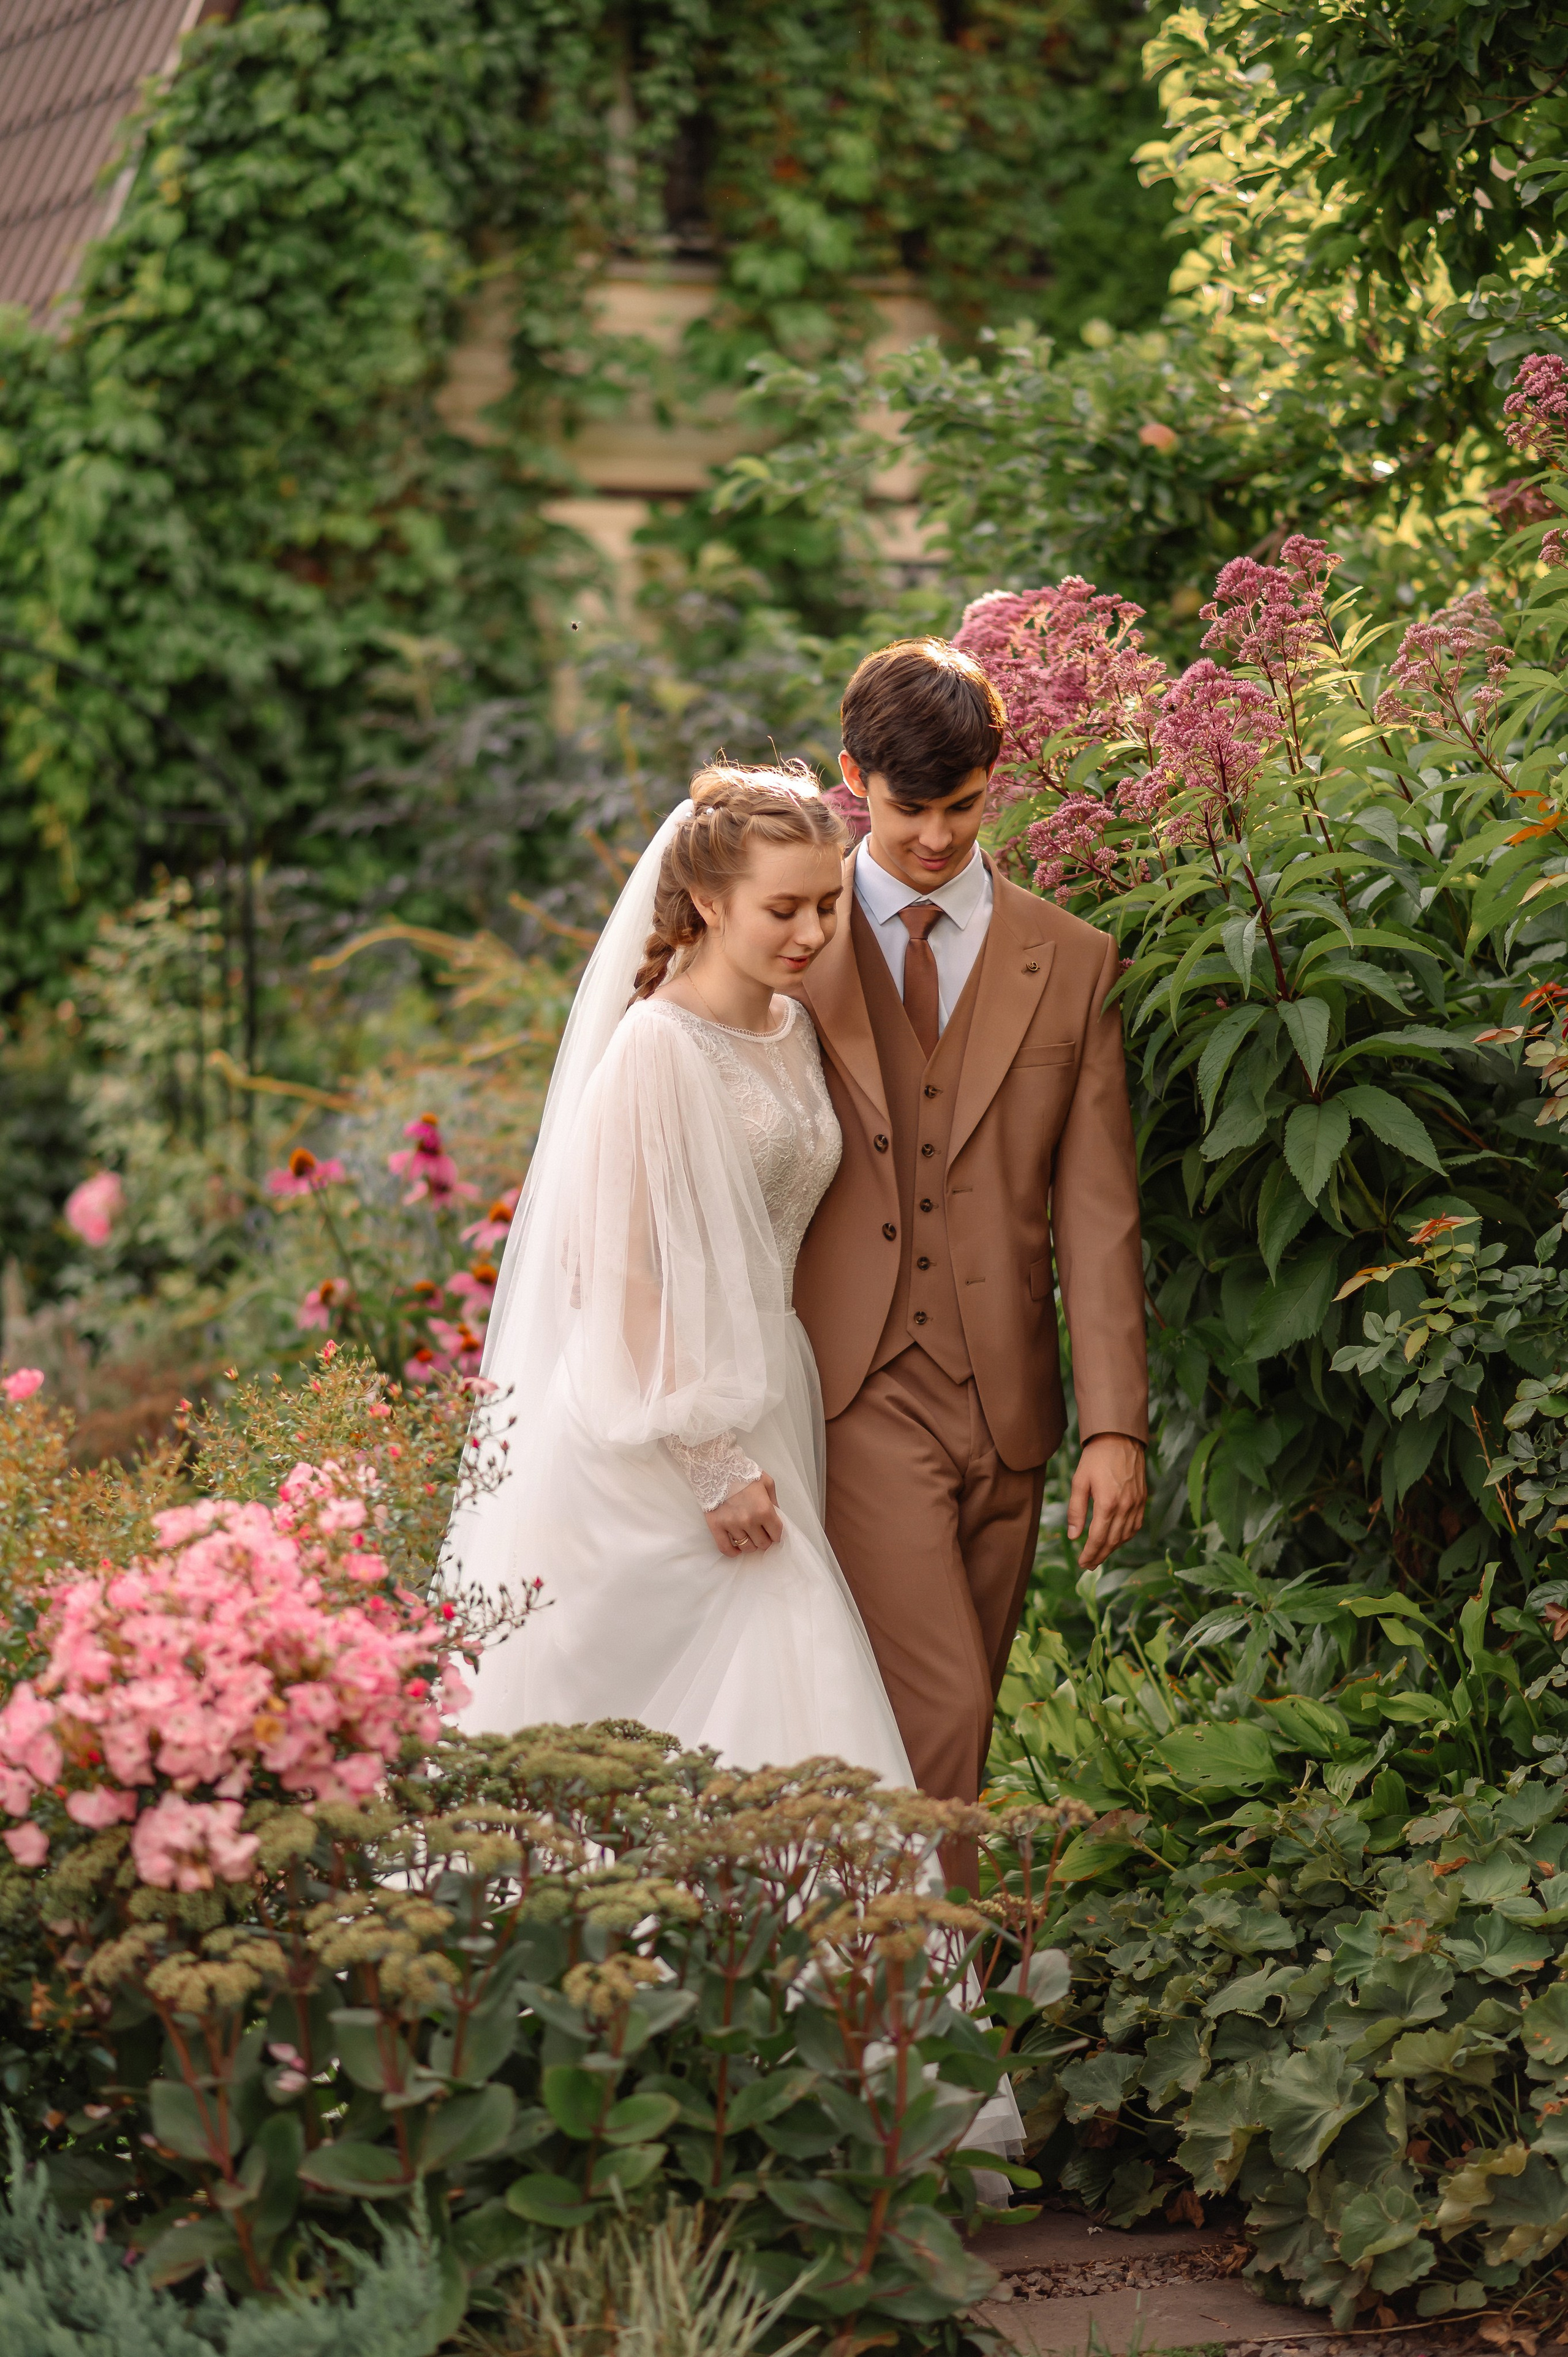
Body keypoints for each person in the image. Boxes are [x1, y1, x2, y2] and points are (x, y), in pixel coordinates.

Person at [451, 764, 912, 1784]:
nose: (812, 932)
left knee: (767, 1696)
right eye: (783, 909)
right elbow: (611, 1272)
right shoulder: (654, 1048)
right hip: (662, 1420)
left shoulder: (792, 1026)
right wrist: (710, 1462)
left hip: (770, 1383)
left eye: (827, 904)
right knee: (762, 1681)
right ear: (707, 901)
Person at [790, 639, 1150, 1887]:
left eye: (965, 805)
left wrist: (1115, 1427)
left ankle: (867, 1969)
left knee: (951, 1722)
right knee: (940, 1700)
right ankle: (927, 1988)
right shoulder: (789, 941)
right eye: (910, 808)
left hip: (1007, 1410)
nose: (938, 837)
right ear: (852, 779)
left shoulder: (1073, 959)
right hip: (851, 1391)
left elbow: (1096, 1212)